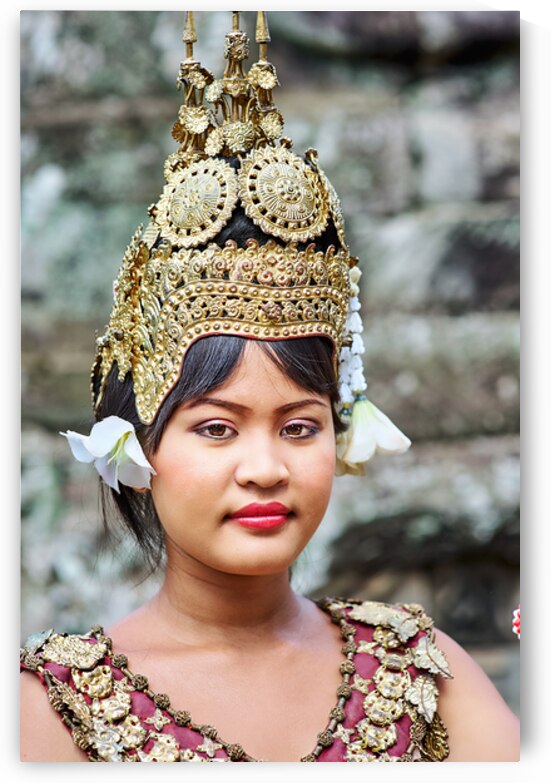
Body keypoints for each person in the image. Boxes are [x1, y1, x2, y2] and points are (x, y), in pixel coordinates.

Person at [20, 12, 519, 762]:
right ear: (136, 444)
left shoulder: (423, 670)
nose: (265, 467)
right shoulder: (49, 711)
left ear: (340, 431)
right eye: (216, 427)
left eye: (298, 425)